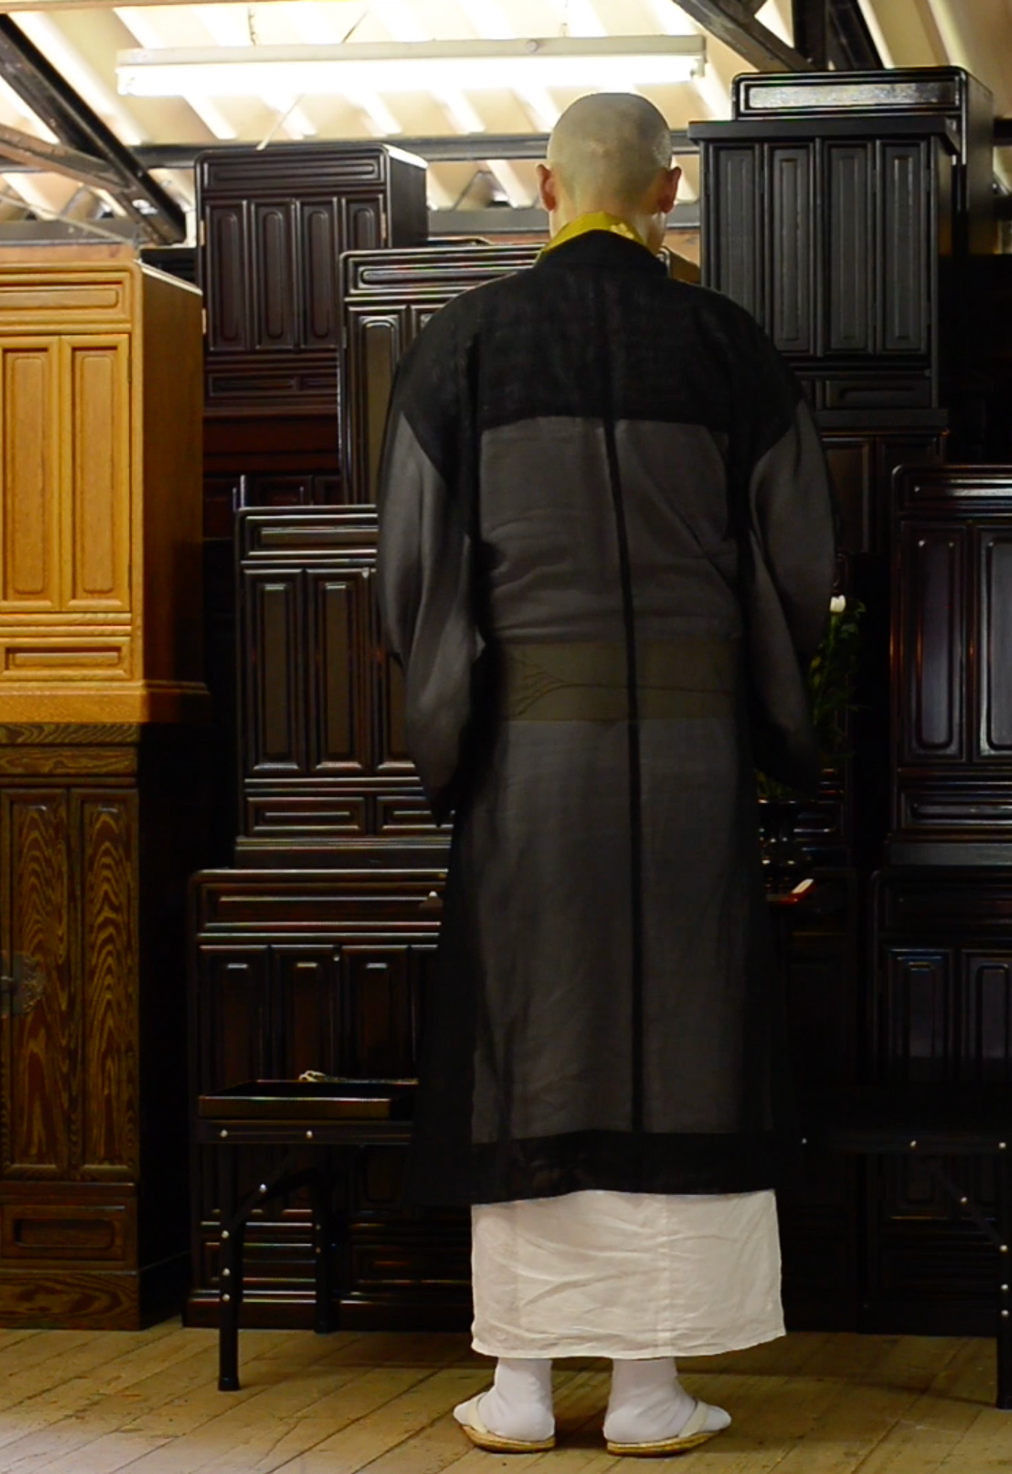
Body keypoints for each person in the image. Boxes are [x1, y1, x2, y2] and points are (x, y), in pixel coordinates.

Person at [375, 91, 836, 1457]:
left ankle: (519, 1385)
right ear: (668, 191)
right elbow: (801, 566)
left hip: (529, 756)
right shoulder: (728, 349)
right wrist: (761, 704)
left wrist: (461, 704)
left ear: (539, 183)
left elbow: (412, 573)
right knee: (683, 1043)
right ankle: (649, 1386)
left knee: (530, 1042)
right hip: (692, 755)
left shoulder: (459, 350)